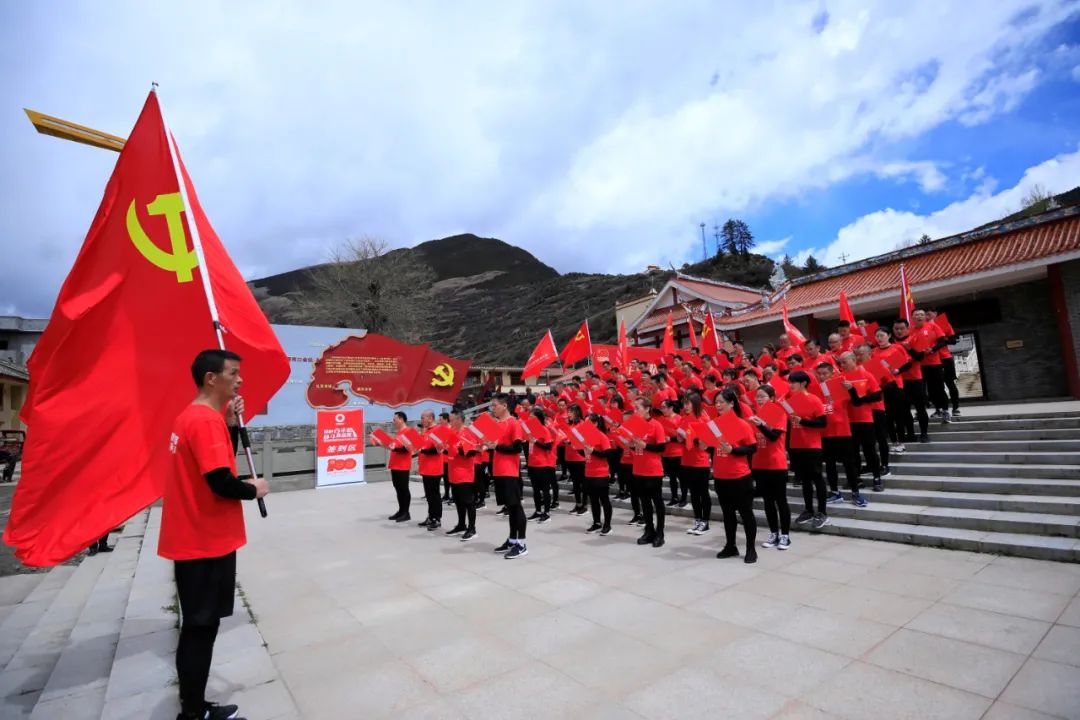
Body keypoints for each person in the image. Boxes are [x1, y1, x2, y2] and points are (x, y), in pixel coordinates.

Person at [159, 349, 269, 720]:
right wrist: (254, 489)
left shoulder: (194, 416)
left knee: (199, 626)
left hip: (196, 537)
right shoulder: (204, 421)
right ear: (211, 378)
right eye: (233, 373)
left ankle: (194, 706)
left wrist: (233, 424)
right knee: (200, 628)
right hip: (204, 540)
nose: (240, 380)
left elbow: (218, 463)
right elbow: (221, 482)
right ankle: (192, 713)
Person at [711, 389, 759, 563]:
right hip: (720, 476)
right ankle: (730, 546)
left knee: (746, 514)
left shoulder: (741, 424)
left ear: (732, 403)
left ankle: (751, 549)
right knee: (728, 514)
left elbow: (752, 448)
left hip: (739, 477)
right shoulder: (714, 424)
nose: (718, 405)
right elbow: (711, 447)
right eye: (716, 402)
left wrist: (734, 450)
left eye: (721, 402)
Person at [749, 385, 791, 550]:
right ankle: (774, 533)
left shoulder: (778, 413)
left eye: (762, 396)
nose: (759, 399)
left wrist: (760, 425)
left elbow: (773, 437)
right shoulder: (755, 416)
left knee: (780, 500)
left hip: (776, 463)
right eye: (757, 397)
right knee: (768, 501)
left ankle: (785, 535)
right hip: (759, 463)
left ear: (772, 398)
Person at [786, 371, 830, 530]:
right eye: (790, 382)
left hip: (811, 445)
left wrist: (803, 421)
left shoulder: (813, 399)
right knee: (804, 480)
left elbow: (822, 423)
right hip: (796, 445)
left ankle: (822, 512)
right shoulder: (789, 401)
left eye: (793, 382)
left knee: (817, 478)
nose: (790, 385)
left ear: (803, 383)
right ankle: (809, 510)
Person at [487, 394, 528, 559]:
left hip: (510, 471)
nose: (493, 408)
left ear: (504, 406)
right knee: (510, 508)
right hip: (499, 471)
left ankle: (522, 544)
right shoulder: (497, 424)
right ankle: (512, 540)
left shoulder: (513, 423)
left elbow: (517, 449)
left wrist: (497, 446)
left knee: (516, 507)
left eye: (495, 405)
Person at [814, 363, 860, 507]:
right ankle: (834, 492)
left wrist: (852, 389)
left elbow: (856, 402)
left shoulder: (840, 387)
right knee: (829, 465)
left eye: (825, 373)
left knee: (849, 464)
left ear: (832, 373)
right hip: (825, 433)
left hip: (842, 432)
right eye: (819, 374)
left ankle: (855, 492)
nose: (822, 376)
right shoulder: (816, 391)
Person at [838, 351, 884, 494]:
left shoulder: (866, 374)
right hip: (847, 420)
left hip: (864, 418)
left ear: (853, 360)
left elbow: (878, 395)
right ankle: (856, 478)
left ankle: (877, 477)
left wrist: (861, 399)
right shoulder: (840, 377)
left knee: (869, 450)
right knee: (852, 452)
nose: (842, 365)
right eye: (841, 362)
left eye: (845, 362)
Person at [629, 397, 668, 547]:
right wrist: (630, 444)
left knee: (657, 502)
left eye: (637, 408)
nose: (635, 411)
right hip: (638, 469)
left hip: (653, 470)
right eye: (634, 408)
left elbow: (661, 447)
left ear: (647, 409)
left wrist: (645, 445)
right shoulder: (635, 425)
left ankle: (660, 532)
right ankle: (649, 530)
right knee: (644, 502)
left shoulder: (656, 425)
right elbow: (634, 446)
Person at [893, 318, 930, 443]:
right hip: (900, 381)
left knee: (920, 408)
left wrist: (909, 349)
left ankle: (924, 433)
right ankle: (911, 434)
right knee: (904, 410)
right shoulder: (891, 343)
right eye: (896, 329)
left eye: (902, 328)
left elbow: (920, 358)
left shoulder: (915, 339)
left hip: (915, 379)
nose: (899, 331)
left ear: (908, 328)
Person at [445, 411, 479, 541]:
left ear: (459, 419)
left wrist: (456, 449)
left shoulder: (468, 432)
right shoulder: (452, 433)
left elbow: (471, 452)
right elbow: (450, 451)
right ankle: (461, 525)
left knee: (468, 501)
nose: (450, 422)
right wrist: (444, 448)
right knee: (458, 501)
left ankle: (472, 528)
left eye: (452, 419)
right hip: (453, 472)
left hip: (465, 473)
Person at [913, 309, 952, 423]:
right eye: (916, 315)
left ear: (925, 317)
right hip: (918, 366)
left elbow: (943, 341)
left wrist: (933, 349)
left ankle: (945, 411)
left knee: (938, 388)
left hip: (934, 363)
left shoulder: (933, 326)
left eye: (921, 314)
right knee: (921, 391)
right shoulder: (910, 330)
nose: (919, 316)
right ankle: (922, 412)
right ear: (912, 318)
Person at [582, 415, 615, 535]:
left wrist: (593, 451)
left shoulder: (602, 436)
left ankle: (607, 525)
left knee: (604, 500)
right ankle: (596, 523)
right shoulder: (586, 437)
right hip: (589, 472)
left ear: (595, 423)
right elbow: (585, 453)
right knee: (593, 500)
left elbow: (607, 455)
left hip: (600, 473)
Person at [526, 409, 556, 524]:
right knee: (536, 490)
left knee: (545, 489)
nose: (530, 418)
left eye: (532, 416)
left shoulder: (544, 429)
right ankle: (538, 511)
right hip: (532, 463)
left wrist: (536, 441)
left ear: (538, 418)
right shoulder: (530, 430)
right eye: (529, 416)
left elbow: (548, 447)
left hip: (543, 464)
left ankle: (546, 513)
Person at [416, 410, 444, 531]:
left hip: (434, 468)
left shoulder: (437, 430)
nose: (421, 420)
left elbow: (437, 450)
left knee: (434, 495)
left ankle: (436, 518)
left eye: (423, 418)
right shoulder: (426, 431)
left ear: (431, 418)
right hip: (425, 467)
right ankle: (431, 516)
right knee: (429, 495)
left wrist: (422, 450)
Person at [385, 411, 415, 522]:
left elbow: (408, 449)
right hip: (395, 465)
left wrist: (394, 448)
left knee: (403, 489)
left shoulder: (409, 432)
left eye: (395, 419)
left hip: (403, 465)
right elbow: (395, 446)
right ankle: (401, 510)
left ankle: (406, 513)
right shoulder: (398, 433)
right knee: (398, 489)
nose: (393, 421)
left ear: (401, 419)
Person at [659, 400, 686, 507]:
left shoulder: (679, 418)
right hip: (666, 453)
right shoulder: (661, 419)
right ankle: (674, 497)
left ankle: (683, 498)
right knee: (672, 477)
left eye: (664, 407)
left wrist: (670, 439)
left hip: (678, 452)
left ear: (671, 408)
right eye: (661, 407)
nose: (662, 409)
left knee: (682, 477)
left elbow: (683, 437)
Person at [563, 404, 588, 516]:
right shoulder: (570, 424)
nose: (568, 414)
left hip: (580, 457)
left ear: (577, 413)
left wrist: (572, 441)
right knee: (575, 483)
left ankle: (585, 505)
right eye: (568, 411)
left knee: (582, 483)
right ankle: (578, 504)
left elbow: (585, 440)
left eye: (571, 412)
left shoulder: (582, 424)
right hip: (570, 456)